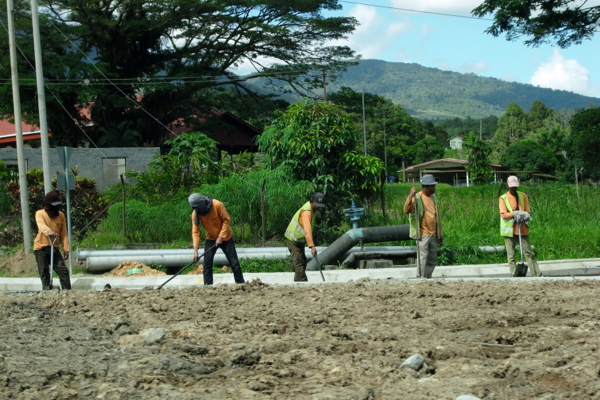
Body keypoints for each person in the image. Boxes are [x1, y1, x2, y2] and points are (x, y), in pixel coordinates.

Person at [189, 193, 245, 285]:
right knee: (207, 264)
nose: (195, 209)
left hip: (226, 237)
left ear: (201, 204)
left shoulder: (217, 205)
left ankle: (241, 284)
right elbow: (196, 232)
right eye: (193, 208)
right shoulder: (196, 214)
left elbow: (227, 220)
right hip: (211, 238)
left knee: (234, 263)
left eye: (196, 207)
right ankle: (208, 287)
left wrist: (221, 237)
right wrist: (196, 250)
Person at [499, 176, 542, 277]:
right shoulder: (503, 198)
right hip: (509, 231)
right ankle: (515, 275)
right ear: (508, 186)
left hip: (521, 229)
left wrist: (524, 215)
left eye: (515, 186)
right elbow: (504, 214)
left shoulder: (523, 196)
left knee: (529, 253)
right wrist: (514, 214)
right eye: (512, 187)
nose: (514, 188)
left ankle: (537, 275)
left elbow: (527, 210)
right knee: (511, 255)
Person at [404, 175, 443, 279]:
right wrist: (410, 196)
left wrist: (440, 233)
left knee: (432, 258)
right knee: (423, 257)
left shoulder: (434, 197)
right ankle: (421, 277)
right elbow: (406, 210)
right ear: (425, 187)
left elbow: (437, 216)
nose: (434, 188)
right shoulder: (417, 197)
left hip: (433, 233)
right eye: (432, 186)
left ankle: (428, 276)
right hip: (423, 233)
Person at [34, 190, 71, 290]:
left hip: (53, 247)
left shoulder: (61, 215)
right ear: (48, 204)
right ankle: (46, 291)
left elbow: (64, 233)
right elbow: (41, 225)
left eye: (57, 205)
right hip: (40, 247)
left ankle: (67, 291)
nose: (55, 208)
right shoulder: (40, 213)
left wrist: (66, 248)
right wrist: (48, 231)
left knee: (62, 270)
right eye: (53, 205)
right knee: (44, 271)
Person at [285, 192, 326, 282]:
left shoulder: (312, 210)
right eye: (316, 205)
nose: (318, 207)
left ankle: (298, 281)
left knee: (302, 261)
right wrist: (312, 246)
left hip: (298, 240)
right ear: (312, 201)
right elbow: (307, 231)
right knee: (299, 263)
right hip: (293, 240)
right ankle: (302, 283)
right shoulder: (307, 212)